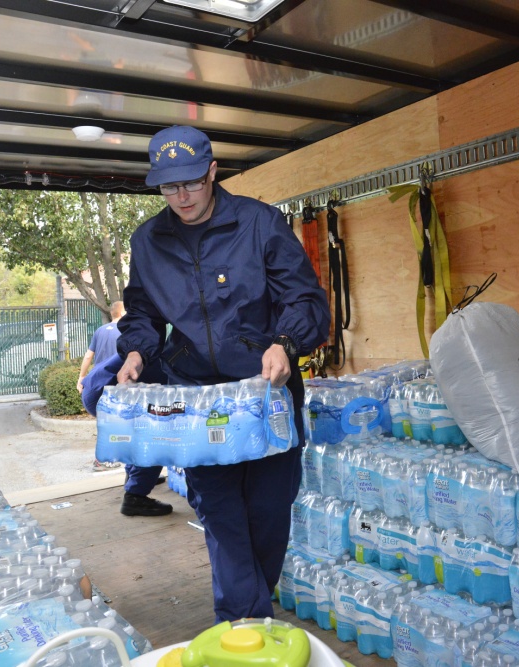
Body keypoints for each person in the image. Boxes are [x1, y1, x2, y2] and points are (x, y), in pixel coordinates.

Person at [116, 125, 330, 622]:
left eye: (191, 182)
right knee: (223, 519)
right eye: (169, 186)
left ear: (213, 172)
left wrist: (285, 341)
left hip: (265, 397)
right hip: (198, 402)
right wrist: (137, 353)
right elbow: (143, 313)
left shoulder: (259, 224)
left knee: (269, 518)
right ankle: (244, 625)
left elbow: (306, 299)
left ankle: (249, 610)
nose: (182, 196)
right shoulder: (149, 241)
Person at [81, 353, 173, 517]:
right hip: (108, 392)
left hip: (97, 386)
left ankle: (134, 478)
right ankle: (135, 497)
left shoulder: (156, 345)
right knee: (157, 438)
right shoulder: (175, 358)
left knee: (141, 434)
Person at [79, 301, 127, 473]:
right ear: (122, 314)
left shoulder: (100, 330)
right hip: (115, 381)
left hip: (97, 381)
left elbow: (87, 357)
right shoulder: (125, 330)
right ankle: (102, 460)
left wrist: (81, 377)